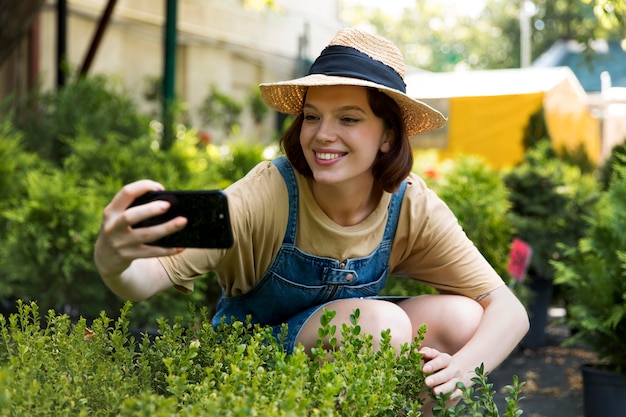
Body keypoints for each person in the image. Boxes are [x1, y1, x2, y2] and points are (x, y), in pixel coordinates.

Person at [94, 27, 529, 414]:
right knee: (380, 326)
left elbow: (510, 311)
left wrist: (463, 371)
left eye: (349, 118)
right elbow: (144, 277)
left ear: (388, 136)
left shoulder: (409, 203)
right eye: (313, 116)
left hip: (349, 359)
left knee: (464, 319)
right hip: (249, 362)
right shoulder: (265, 191)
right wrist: (114, 257)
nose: (322, 134)